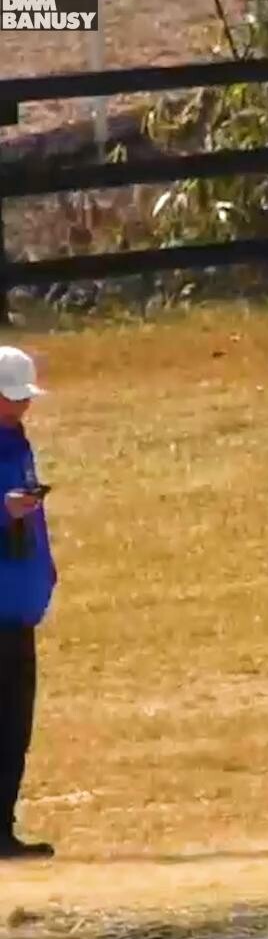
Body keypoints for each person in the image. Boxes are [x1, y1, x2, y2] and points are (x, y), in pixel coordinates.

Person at [0, 346, 55, 859]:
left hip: (18, 605)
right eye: (12, 398)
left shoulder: (17, 441)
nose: (21, 407)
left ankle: (1, 828)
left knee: (14, 725)